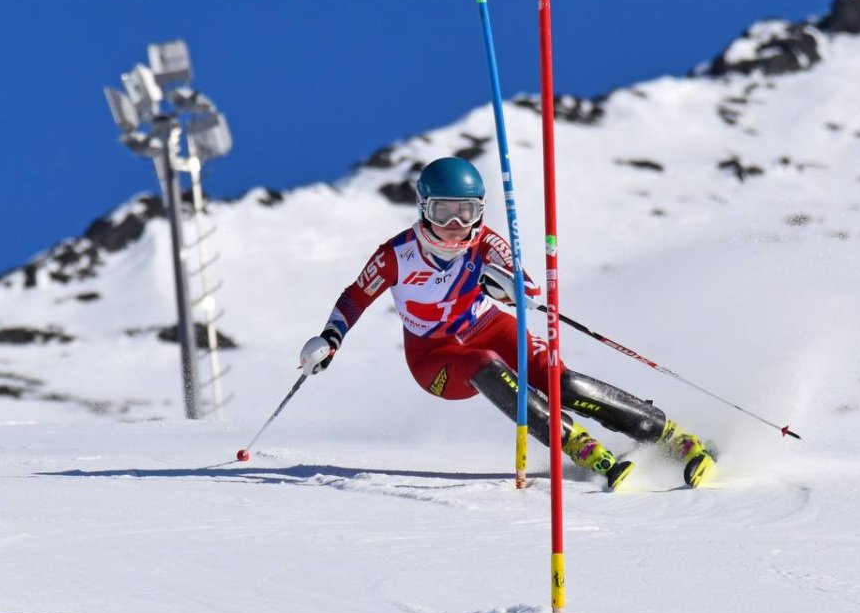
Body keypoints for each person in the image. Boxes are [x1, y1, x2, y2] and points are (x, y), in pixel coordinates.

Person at [298, 156, 716, 489]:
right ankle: (576, 443)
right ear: (424, 209)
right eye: (443, 212)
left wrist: (505, 288)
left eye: (465, 212)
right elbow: (355, 296)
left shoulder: (486, 242)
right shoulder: (397, 255)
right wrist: (331, 338)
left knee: (560, 380)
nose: (455, 226)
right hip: (435, 356)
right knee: (484, 364)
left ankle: (666, 434)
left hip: (488, 325)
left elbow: (527, 289)